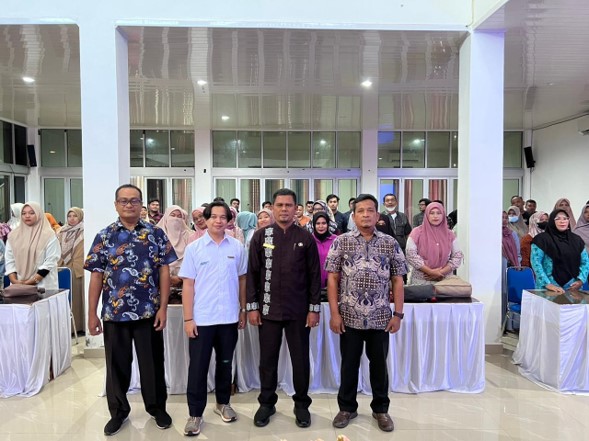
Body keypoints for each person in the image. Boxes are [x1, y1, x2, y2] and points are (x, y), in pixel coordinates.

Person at [84, 184, 177, 436]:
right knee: (116, 366)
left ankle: (157, 408)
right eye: (124, 201)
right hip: (114, 313)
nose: (129, 205)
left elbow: (164, 271)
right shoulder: (104, 236)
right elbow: (96, 276)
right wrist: (91, 313)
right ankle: (118, 412)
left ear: (141, 204)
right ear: (116, 205)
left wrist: (163, 308)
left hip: (149, 312)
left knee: (152, 363)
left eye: (134, 201)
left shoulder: (155, 234)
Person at [325, 193, 406, 433]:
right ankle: (346, 408)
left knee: (379, 366)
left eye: (370, 210)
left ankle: (381, 409)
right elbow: (332, 278)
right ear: (353, 215)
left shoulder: (390, 243)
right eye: (360, 211)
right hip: (349, 317)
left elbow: (398, 280)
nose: (365, 215)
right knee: (349, 365)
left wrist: (398, 314)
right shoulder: (341, 241)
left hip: (380, 317)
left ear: (377, 215)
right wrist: (334, 313)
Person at [246, 188, 321, 428]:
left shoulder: (305, 238)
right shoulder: (261, 236)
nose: (284, 209)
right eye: (279, 205)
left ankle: (302, 404)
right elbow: (252, 273)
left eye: (289, 205)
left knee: (300, 360)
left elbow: (314, 276)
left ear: (296, 209)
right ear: (273, 208)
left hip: (298, 311)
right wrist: (252, 307)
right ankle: (267, 403)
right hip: (268, 310)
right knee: (267, 360)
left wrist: (314, 309)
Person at [179, 201, 247, 437]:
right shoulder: (194, 248)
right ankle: (195, 414)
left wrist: (242, 310)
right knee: (198, 367)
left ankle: (223, 403)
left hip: (228, 317)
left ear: (229, 220)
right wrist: (188, 319)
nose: (218, 221)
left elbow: (242, 279)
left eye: (223, 217)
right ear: (205, 220)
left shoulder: (237, 247)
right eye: (213, 217)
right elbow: (188, 285)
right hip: (202, 318)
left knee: (225, 363)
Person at [531, 209, 589, 293]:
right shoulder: (541, 239)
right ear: (552, 221)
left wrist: (581, 281)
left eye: (565, 218)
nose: (562, 221)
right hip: (549, 287)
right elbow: (536, 263)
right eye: (558, 218)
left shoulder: (577, 240)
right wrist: (547, 284)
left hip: (573, 286)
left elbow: (585, 261)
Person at [5, 202, 61, 289]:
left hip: (43, 286)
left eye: (31, 213)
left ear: (39, 214)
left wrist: (32, 281)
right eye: (24, 213)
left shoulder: (49, 235)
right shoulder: (13, 235)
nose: (27, 216)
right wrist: (14, 281)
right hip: (18, 285)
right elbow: (10, 260)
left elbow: (51, 260)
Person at [405, 202, 463, 285]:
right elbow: (411, 255)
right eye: (432, 213)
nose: (435, 216)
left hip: (444, 280)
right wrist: (430, 272)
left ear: (443, 215)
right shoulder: (417, 232)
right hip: (421, 280)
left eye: (439, 213)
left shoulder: (450, 234)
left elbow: (457, 256)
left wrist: (441, 272)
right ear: (426, 215)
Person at [57, 207, 85, 333]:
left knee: (78, 298)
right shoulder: (61, 231)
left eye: (75, 216)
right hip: (63, 267)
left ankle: (79, 326)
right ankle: (67, 328)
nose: (72, 219)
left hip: (78, 269)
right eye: (69, 216)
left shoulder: (84, 230)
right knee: (66, 298)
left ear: (80, 217)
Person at [156, 205, 193, 288]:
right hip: (160, 284)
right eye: (172, 215)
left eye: (179, 216)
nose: (176, 219)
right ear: (166, 218)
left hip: (186, 283)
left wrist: (180, 278)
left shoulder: (190, 236)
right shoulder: (157, 236)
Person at [311, 212, 337, 292]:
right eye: (318, 223)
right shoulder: (309, 240)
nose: (321, 226)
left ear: (328, 224)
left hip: (333, 285)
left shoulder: (336, 240)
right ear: (314, 225)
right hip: (313, 286)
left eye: (324, 223)